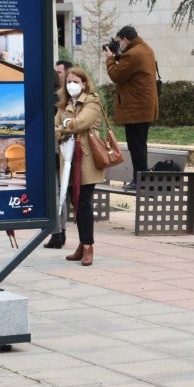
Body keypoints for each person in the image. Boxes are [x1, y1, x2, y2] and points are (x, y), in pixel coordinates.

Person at [55, 66, 105, 266]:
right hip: (68, 161)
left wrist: (64, 127)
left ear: (84, 83)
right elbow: (56, 131)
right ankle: (82, 243)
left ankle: (88, 247)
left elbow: (81, 123)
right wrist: (65, 128)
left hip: (86, 159)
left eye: (76, 81)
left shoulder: (92, 101)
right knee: (76, 202)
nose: (72, 85)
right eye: (68, 82)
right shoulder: (63, 105)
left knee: (83, 202)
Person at [105, 25, 159, 189]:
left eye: (120, 41)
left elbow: (116, 75)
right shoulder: (145, 49)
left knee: (136, 145)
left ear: (125, 39)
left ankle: (140, 180)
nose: (119, 44)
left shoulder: (133, 54)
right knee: (139, 144)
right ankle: (141, 178)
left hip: (135, 108)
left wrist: (110, 58)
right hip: (143, 106)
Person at [44, 59, 72, 249]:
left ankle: (56, 233)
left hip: (51, 147)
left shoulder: (46, 98)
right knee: (61, 191)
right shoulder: (62, 98)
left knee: (53, 191)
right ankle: (60, 230)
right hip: (64, 149)